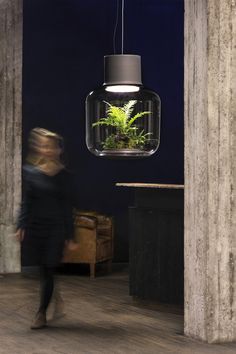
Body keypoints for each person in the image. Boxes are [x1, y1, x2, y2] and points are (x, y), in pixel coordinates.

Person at [16, 127, 78, 329]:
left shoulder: (65, 176)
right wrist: (21, 225)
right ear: (38, 149)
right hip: (36, 228)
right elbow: (27, 202)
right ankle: (53, 296)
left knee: (49, 269)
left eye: (51, 146)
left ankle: (41, 313)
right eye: (43, 146)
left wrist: (71, 236)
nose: (47, 150)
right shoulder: (31, 173)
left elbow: (68, 207)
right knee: (44, 270)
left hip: (56, 229)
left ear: (58, 149)